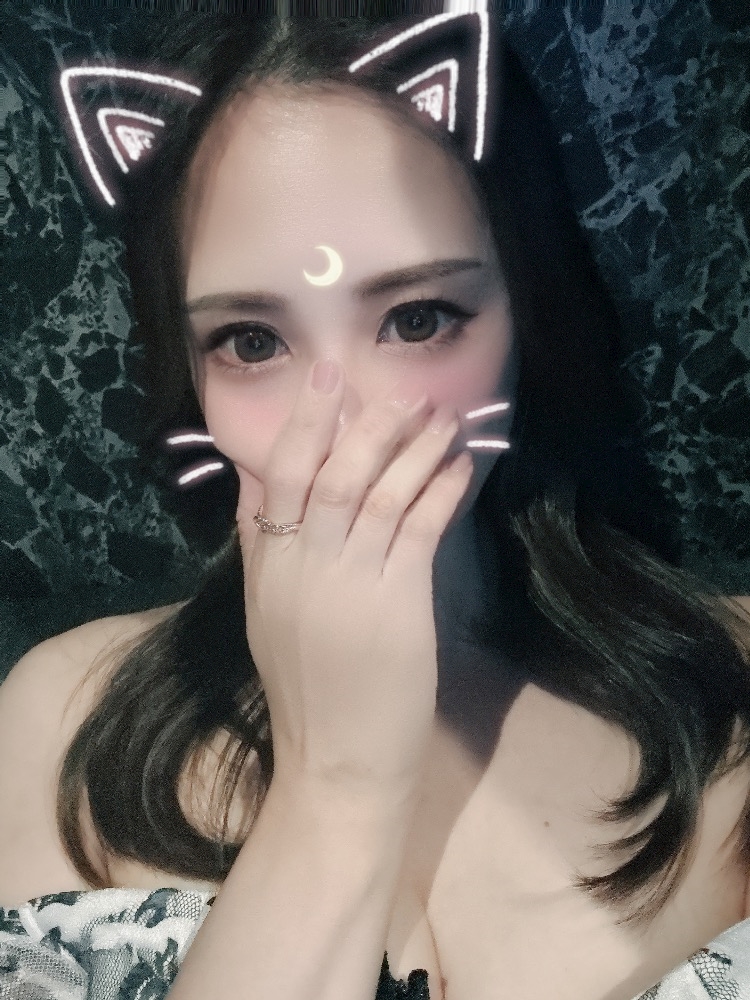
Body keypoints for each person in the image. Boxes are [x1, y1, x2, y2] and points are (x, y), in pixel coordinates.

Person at [1, 13, 750, 1000]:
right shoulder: (63, 721)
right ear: (190, 370)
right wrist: (332, 792)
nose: (343, 419)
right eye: (252, 341)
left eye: (418, 318)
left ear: (525, 315)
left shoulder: (736, 691)